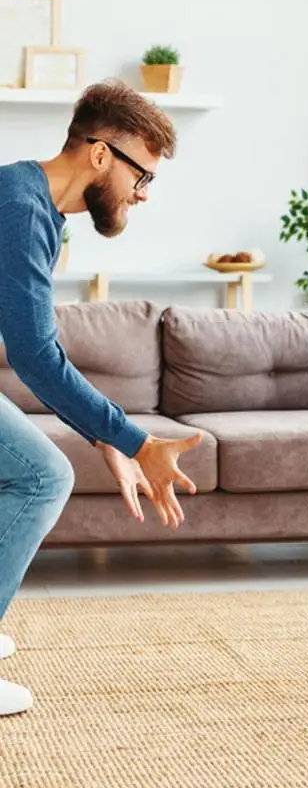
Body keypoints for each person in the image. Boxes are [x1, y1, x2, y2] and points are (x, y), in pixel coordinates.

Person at [0, 80, 203, 715]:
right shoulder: (20, 208)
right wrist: (135, 441)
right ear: (99, 154)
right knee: (40, 477)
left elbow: (37, 347)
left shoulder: (35, 207)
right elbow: (35, 356)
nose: (141, 196)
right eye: (141, 176)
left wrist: (104, 435)